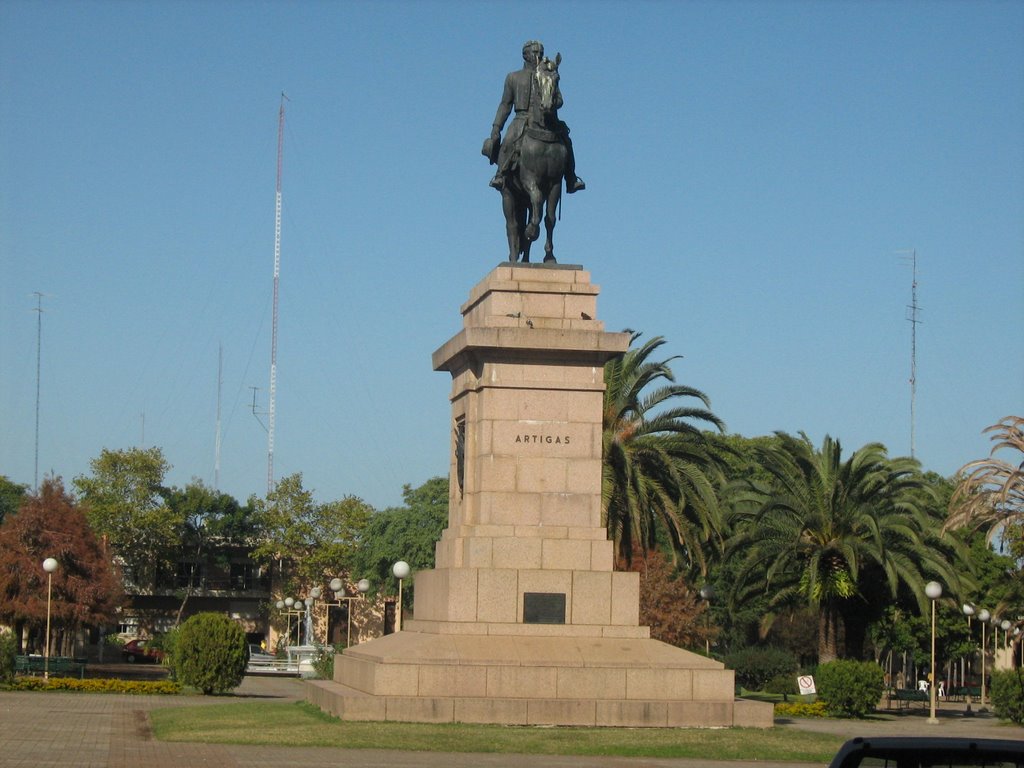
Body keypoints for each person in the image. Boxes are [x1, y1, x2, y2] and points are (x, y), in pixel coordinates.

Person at [485, 40, 585, 194]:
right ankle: (501, 175)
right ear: (525, 55)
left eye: (541, 53)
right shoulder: (513, 77)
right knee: (509, 140)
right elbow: (505, 104)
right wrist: (496, 128)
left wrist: (552, 104)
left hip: (547, 119)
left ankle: (571, 178)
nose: (539, 56)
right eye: (535, 52)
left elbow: (560, 99)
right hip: (521, 118)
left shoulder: (549, 75)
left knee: (566, 140)